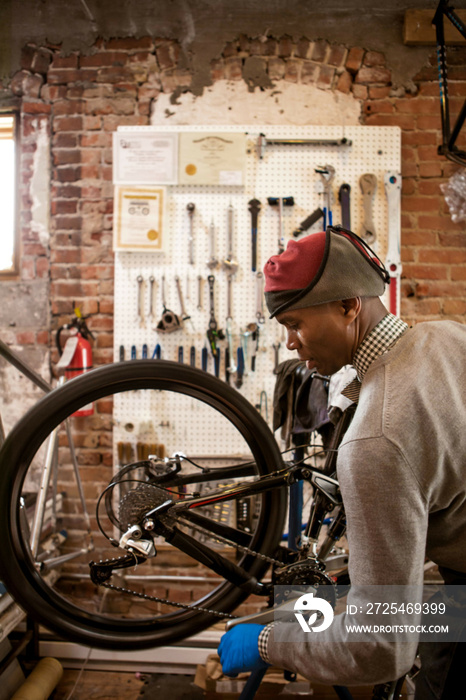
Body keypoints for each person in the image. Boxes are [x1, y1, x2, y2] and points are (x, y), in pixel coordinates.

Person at [218, 226, 466, 698]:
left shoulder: (376, 438)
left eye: (295, 324)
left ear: (349, 305)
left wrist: (271, 641)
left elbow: (381, 645)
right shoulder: (447, 336)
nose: (290, 343)